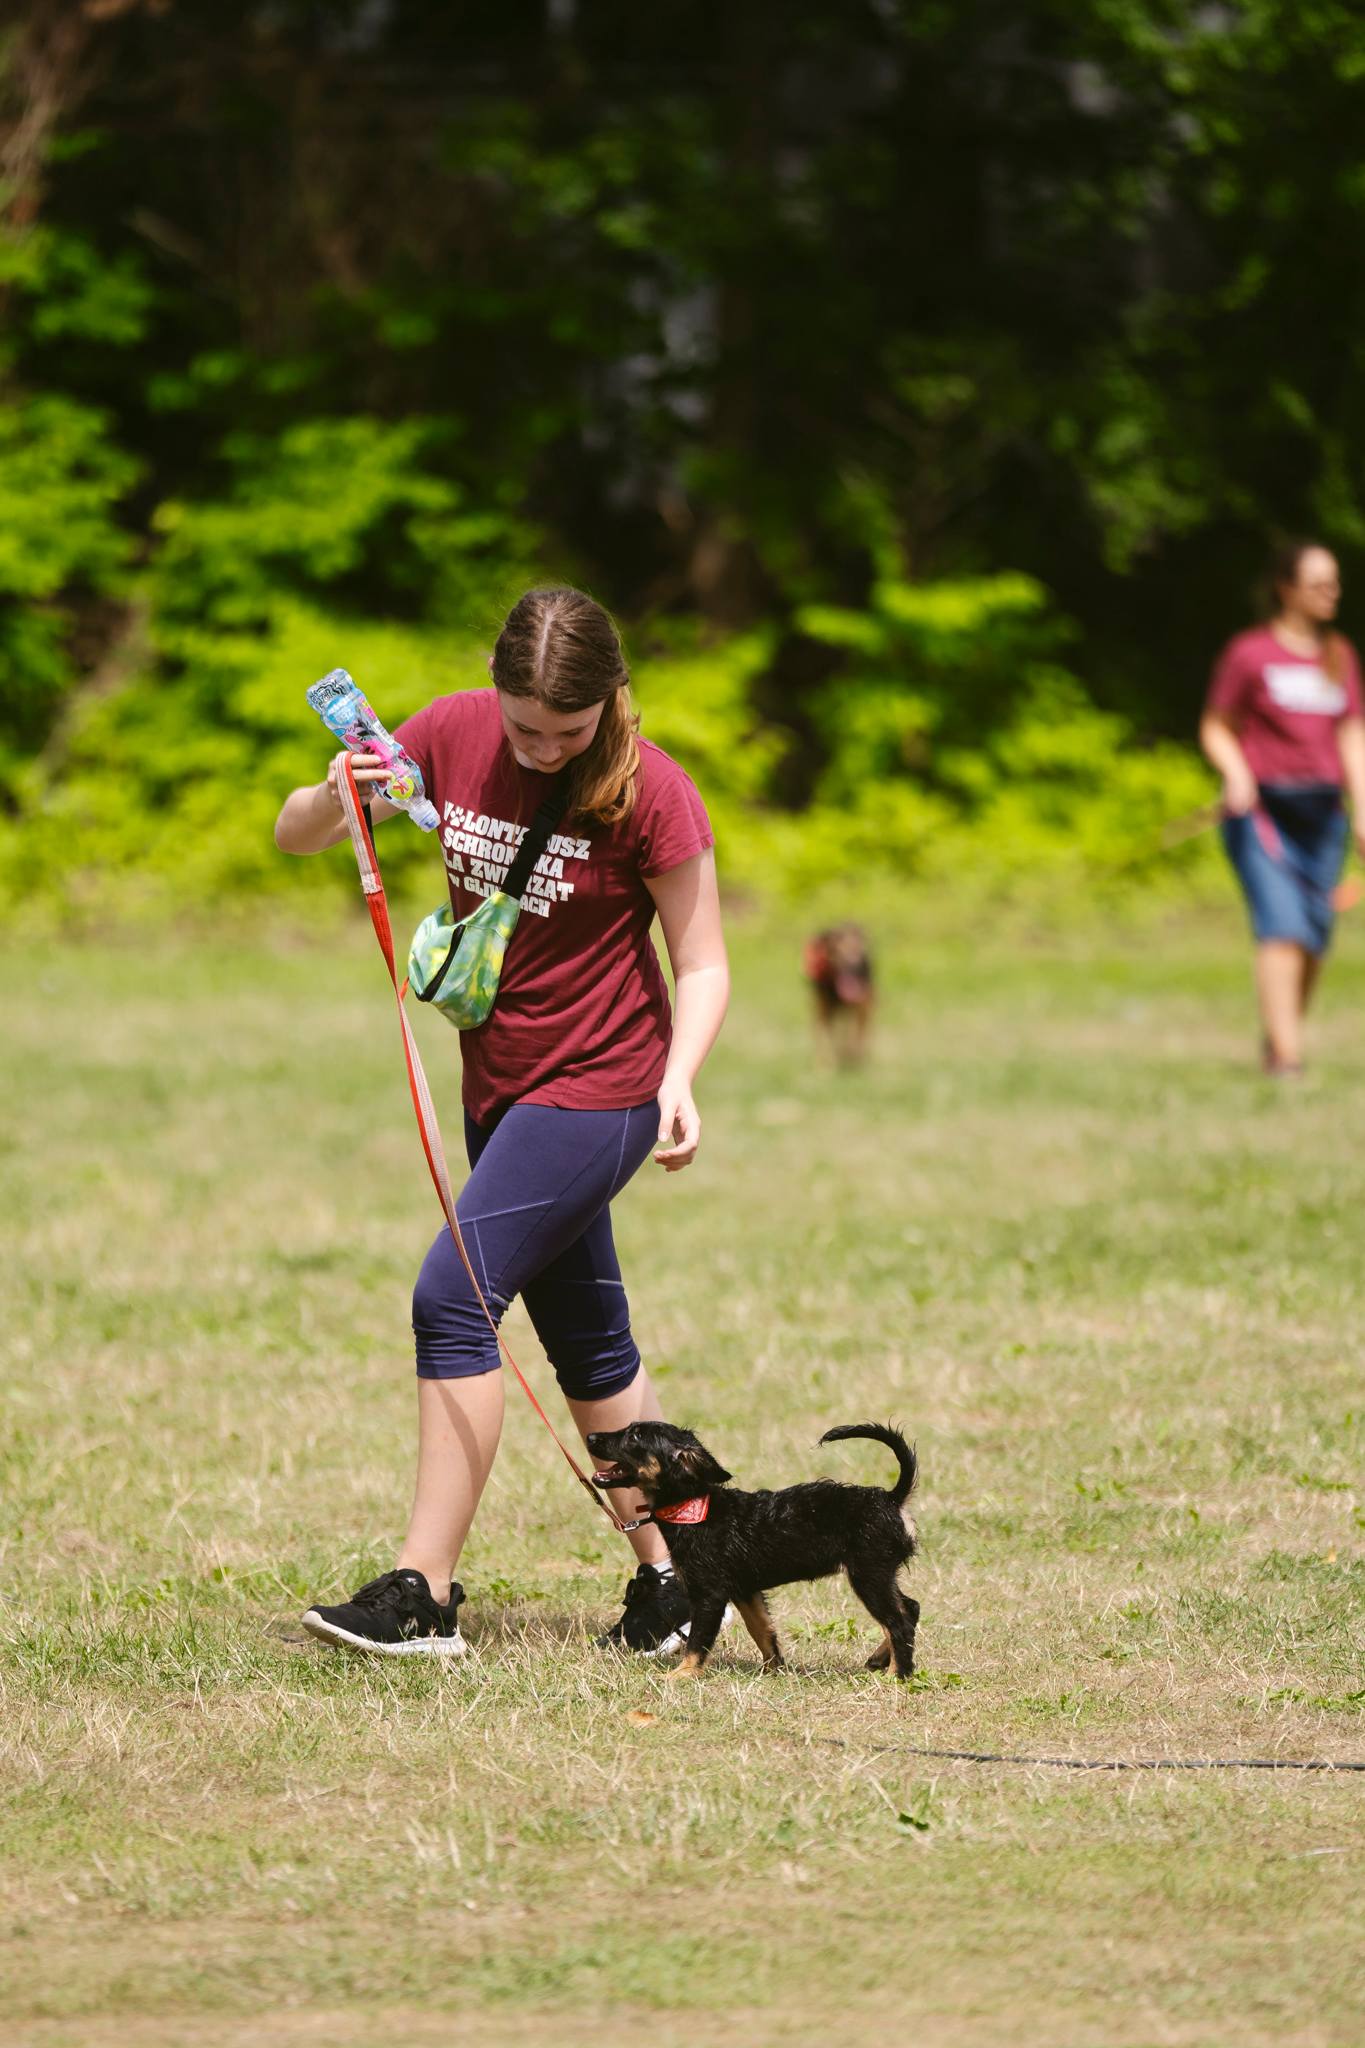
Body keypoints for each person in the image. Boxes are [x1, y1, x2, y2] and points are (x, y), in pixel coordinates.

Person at [274, 588, 729, 1656]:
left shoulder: (653, 790)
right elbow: (296, 832)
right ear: (496, 690)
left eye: (566, 732)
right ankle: (680, 1585)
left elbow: (702, 959)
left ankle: (423, 1592)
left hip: (605, 1086)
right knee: (590, 1345)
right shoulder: (446, 732)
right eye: (525, 726)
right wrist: (346, 789)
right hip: (504, 1091)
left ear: (609, 699)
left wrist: (681, 1079)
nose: (540, 747)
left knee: (453, 1296)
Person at [1200, 540, 1365, 1076]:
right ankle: (1288, 1061)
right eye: (1318, 583)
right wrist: (1238, 775)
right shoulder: (1250, 654)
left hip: (1324, 814)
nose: (1330, 592)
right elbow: (1216, 726)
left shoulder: (1340, 655)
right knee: (1282, 927)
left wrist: (1362, 809)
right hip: (1264, 811)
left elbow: (1352, 735)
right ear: (1285, 588)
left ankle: (1278, 1038)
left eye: (1334, 582)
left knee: (1314, 935)